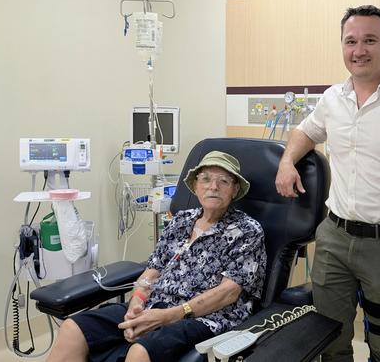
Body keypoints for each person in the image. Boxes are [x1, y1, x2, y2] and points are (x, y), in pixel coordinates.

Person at [275, 5, 380, 362]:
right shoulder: (332, 98)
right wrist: (286, 161)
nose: (359, 50)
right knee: (328, 336)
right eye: (351, 41)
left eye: (370, 40)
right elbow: (304, 132)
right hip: (334, 238)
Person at [48, 151, 267, 362]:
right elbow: (152, 271)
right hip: (155, 305)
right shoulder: (181, 220)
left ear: (234, 189)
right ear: (195, 185)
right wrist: (136, 305)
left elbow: (227, 294)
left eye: (223, 181)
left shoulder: (247, 230)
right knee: (72, 330)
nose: (213, 186)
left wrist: (170, 315)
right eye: (206, 179)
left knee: (140, 352)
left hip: (207, 317)